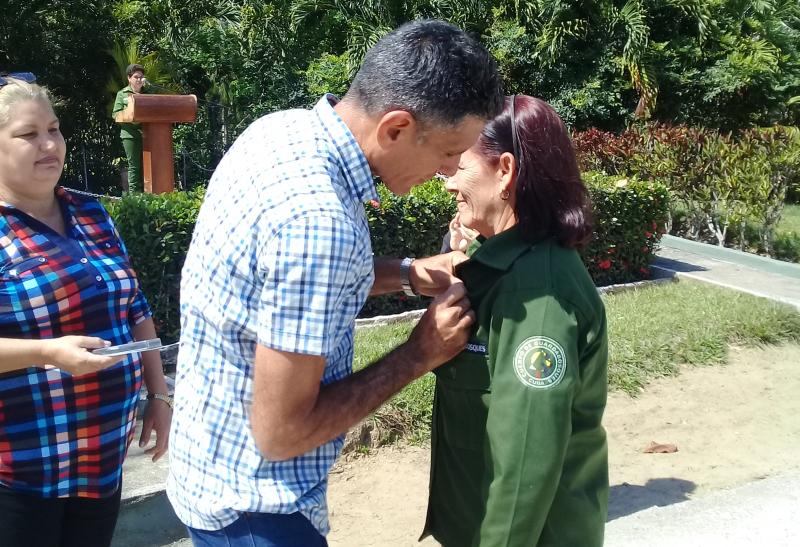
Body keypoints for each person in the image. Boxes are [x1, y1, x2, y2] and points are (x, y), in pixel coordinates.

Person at [167, 19, 504, 546]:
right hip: (258, 512)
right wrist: (420, 353)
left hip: (209, 474)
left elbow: (282, 283)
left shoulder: (279, 132)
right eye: (445, 152)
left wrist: (410, 275)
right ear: (395, 128)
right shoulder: (317, 221)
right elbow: (282, 434)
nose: (447, 173)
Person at [421, 95, 609, 547]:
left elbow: (527, 455)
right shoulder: (507, 265)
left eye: (460, 167)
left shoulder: (536, 296)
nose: (448, 184)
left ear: (504, 170)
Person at [0, 73, 172, 547]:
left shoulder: (90, 212)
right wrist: (47, 353)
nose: (48, 144)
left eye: (53, 129)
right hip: (22, 464)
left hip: (103, 453)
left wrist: (157, 396)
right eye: (28, 134)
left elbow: (134, 305)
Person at [112, 63, 150, 192]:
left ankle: (149, 194)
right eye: (136, 77)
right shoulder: (122, 94)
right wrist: (130, 115)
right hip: (130, 135)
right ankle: (135, 196)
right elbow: (115, 114)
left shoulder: (148, 93)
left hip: (149, 134)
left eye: (141, 77)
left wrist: (147, 89)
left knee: (149, 166)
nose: (139, 79)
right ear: (129, 78)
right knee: (135, 167)